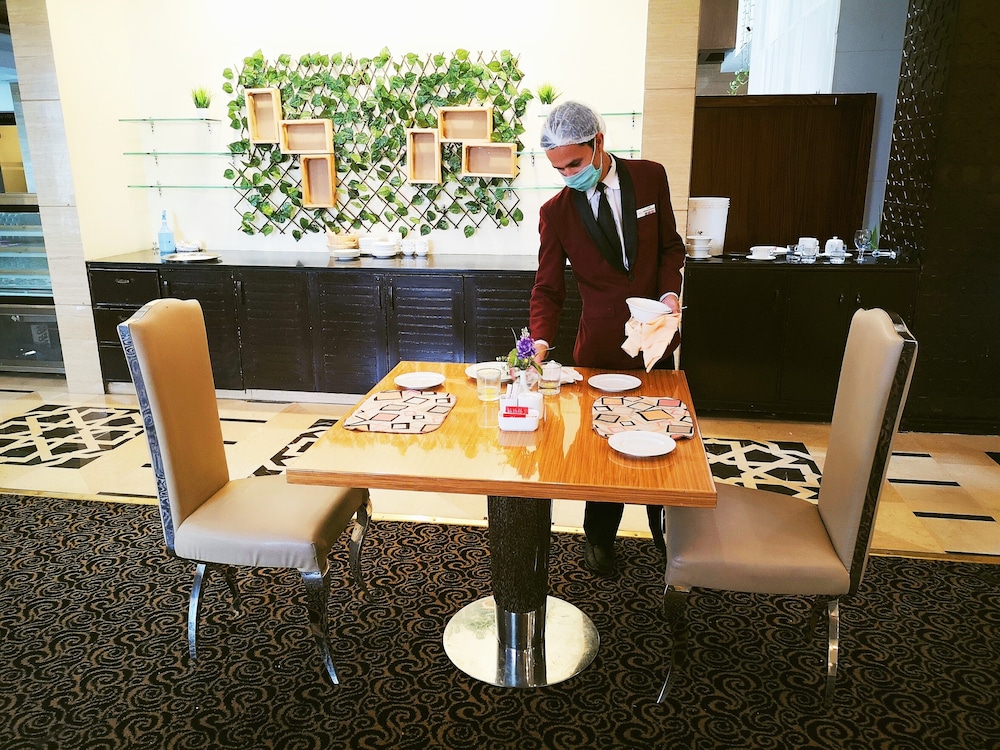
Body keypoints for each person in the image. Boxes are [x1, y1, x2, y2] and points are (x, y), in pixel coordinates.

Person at [528, 101, 686, 576]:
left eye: (574, 163)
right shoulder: (556, 212)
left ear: (599, 141)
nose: (568, 175)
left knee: (662, 438)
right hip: (597, 349)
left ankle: (667, 537)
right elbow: (548, 288)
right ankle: (598, 540)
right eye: (559, 169)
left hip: (654, 339)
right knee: (602, 447)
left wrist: (669, 293)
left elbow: (670, 247)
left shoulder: (651, 177)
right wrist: (540, 342)